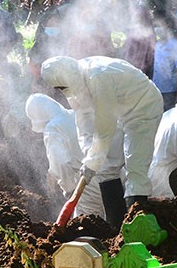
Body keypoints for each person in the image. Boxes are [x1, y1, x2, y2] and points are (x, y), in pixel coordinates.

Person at [40, 56, 163, 225]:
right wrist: (88, 155)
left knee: (135, 164)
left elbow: (105, 130)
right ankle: (116, 226)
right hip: (120, 112)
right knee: (106, 166)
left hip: (143, 107)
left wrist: (92, 162)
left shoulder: (98, 77)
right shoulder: (73, 85)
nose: (62, 91)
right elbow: (83, 122)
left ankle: (138, 229)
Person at [25, 93, 105, 218]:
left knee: (87, 229)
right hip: (111, 176)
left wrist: (68, 189)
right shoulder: (74, 114)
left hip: (87, 185)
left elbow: (60, 163)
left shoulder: (52, 129)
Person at [152, 19, 177, 111]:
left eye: (159, 26)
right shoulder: (157, 45)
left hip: (170, 92)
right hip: (156, 90)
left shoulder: (175, 45)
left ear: (167, 26)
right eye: (155, 26)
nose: (157, 29)